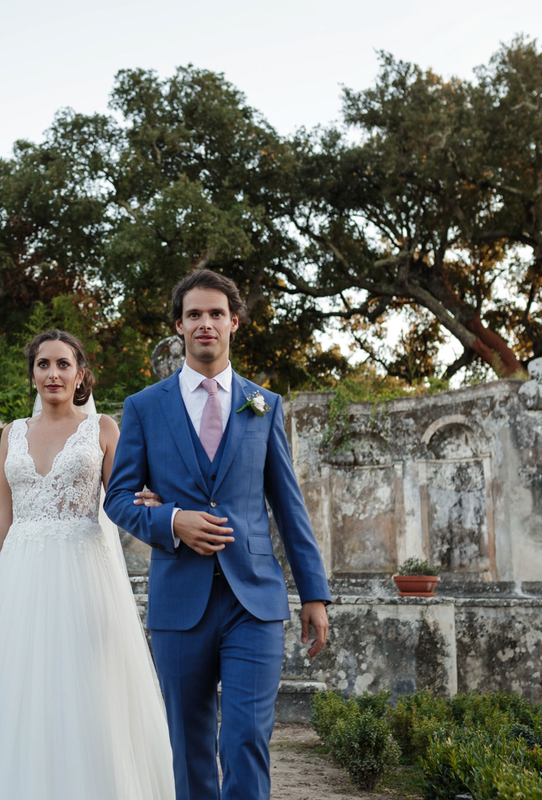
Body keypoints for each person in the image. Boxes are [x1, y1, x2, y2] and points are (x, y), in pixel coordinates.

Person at [104, 269, 332, 800]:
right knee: (188, 746)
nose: (205, 323)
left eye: (215, 313)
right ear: (179, 327)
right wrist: (172, 521)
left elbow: (289, 507)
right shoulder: (144, 407)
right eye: (194, 315)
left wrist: (314, 594)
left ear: (234, 323)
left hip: (254, 598)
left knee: (246, 738)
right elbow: (117, 498)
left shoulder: (263, 404)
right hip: (179, 600)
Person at [0, 330, 175, 800]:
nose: (53, 373)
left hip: (83, 573)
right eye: (43, 364)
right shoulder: (12, 434)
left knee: (87, 686)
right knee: (24, 689)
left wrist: (156, 507)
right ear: (32, 374)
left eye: (63, 364)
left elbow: (122, 501)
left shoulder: (103, 429)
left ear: (80, 375)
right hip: (22, 576)